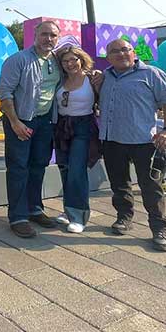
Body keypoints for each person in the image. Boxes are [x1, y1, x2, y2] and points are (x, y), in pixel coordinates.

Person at [97, 38, 166, 251]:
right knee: (119, 184)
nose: (120, 54)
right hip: (112, 140)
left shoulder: (151, 74)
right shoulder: (104, 77)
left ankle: (159, 227)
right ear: (108, 57)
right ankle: (124, 217)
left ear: (133, 52)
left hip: (145, 141)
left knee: (151, 187)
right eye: (114, 51)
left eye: (125, 49)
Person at [0, 21, 62, 238]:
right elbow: (4, 93)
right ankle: (18, 217)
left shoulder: (57, 61)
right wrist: (15, 123)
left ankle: (35, 209)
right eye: (44, 34)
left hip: (45, 123)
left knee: (38, 166)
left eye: (53, 35)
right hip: (21, 120)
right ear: (35, 35)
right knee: (18, 168)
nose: (48, 39)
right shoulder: (18, 60)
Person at [52, 46, 103, 233]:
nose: (70, 64)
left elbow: (104, 100)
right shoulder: (60, 80)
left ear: (82, 59)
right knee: (65, 169)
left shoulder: (92, 78)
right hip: (62, 127)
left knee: (77, 171)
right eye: (65, 61)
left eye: (74, 59)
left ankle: (79, 217)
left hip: (84, 126)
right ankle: (68, 210)